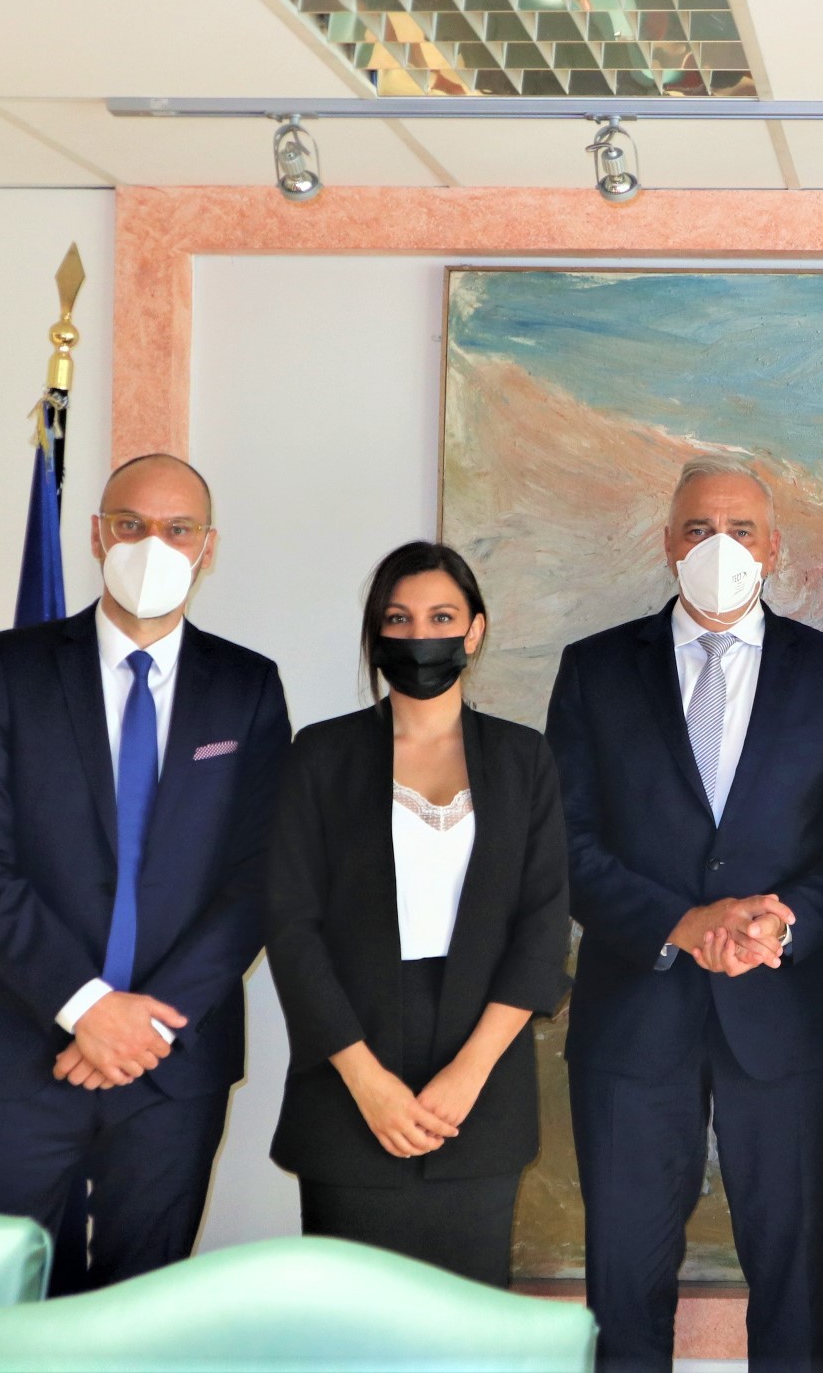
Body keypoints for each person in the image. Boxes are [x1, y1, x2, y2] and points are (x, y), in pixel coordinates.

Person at [546, 458, 823, 1372]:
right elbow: (565, 843)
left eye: (740, 530)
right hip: (631, 1016)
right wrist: (680, 924)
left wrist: (785, 919)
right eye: (698, 529)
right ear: (667, 544)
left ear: (772, 548)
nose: (719, 547)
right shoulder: (594, 669)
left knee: (789, 1282)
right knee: (623, 1284)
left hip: (783, 1015)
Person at [0, 454, 290, 1290]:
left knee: (140, 1314)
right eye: (131, 524)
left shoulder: (247, 686)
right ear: (97, 535)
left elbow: (260, 876)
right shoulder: (9, 668)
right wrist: (86, 1005)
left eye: (177, 529)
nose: (152, 545)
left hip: (171, 1068)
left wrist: (144, 1028)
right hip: (14, 1051)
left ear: (207, 548)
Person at [263, 542, 569, 1286]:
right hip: (348, 1078)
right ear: (376, 633)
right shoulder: (321, 755)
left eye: (440, 617)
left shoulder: (524, 759)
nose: (418, 635)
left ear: (475, 631)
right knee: (351, 1319)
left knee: (466, 1323)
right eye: (398, 619)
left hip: (480, 1083)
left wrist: (468, 1073)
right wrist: (366, 1082)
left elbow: (541, 928)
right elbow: (291, 928)